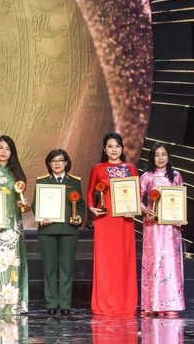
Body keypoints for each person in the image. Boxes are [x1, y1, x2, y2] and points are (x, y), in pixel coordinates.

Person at [87, 131, 139, 315]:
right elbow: (90, 193)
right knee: (106, 262)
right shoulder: (98, 168)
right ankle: (105, 304)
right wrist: (92, 208)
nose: (114, 149)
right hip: (105, 220)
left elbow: (137, 194)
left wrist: (134, 209)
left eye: (117, 146)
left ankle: (125, 304)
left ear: (122, 148)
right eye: (110, 146)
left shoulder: (130, 168)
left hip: (124, 221)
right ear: (104, 149)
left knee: (123, 261)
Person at [0, 135, 29, 315]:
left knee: (13, 264)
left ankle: (14, 304)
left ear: (12, 152)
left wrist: (23, 205)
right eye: (0, 148)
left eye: (7, 149)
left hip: (13, 225)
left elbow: (20, 200)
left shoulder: (17, 174)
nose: (3, 152)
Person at [32, 149, 83, 315]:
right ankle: (52, 304)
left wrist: (80, 217)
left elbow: (80, 205)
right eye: (54, 161)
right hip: (47, 229)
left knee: (67, 268)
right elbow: (35, 205)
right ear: (49, 164)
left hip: (69, 230)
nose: (57, 163)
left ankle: (65, 305)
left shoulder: (74, 182)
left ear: (66, 162)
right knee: (50, 268)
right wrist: (41, 216)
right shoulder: (42, 182)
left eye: (61, 160)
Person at [139, 142, 185, 317]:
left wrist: (180, 217)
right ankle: (152, 304)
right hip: (153, 227)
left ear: (168, 156)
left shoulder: (176, 176)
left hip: (171, 228)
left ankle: (172, 302)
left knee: (171, 263)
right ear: (152, 158)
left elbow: (179, 200)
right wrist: (145, 210)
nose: (160, 158)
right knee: (154, 263)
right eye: (157, 155)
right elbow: (138, 199)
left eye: (163, 154)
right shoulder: (147, 177)